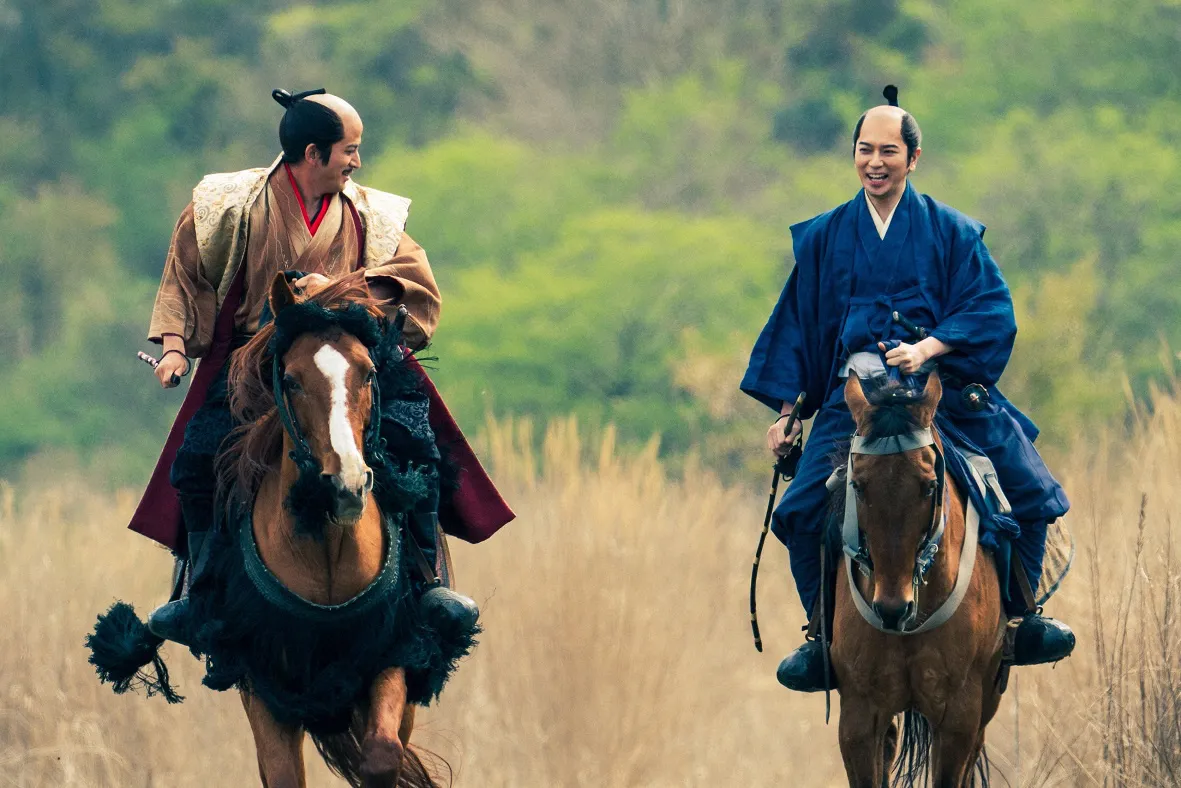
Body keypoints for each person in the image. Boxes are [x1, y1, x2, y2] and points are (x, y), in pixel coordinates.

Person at [133, 88, 512, 646]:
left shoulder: (369, 213)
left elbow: (414, 283)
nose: (356, 161)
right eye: (349, 150)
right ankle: (198, 590)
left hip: (349, 355)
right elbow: (185, 278)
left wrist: (340, 292)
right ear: (313, 154)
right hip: (253, 362)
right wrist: (171, 347)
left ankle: (430, 584)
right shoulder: (230, 206)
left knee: (420, 444)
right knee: (196, 459)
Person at [741, 86, 1075, 692]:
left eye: (888, 151)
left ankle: (1021, 620)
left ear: (913, 158)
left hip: (934, 393)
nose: (875, 162)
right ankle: (824, 639)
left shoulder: (950, 232)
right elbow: (802, 325)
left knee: (1029, 490)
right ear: (854, 157)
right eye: (864, 150)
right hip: (856, 406)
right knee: (798, 511)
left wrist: (929, 347)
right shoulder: (824, 238)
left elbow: (992, 312)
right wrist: (791, 412)